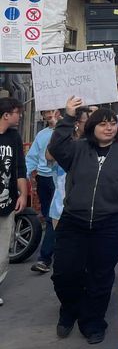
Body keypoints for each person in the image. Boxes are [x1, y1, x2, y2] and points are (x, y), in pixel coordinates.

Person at [48, 96, 118, 343]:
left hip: (110, 224)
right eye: (102, 123)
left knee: (100, 277)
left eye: (112, 123)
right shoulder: (78, 149)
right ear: (92, 127)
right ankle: (69, 309)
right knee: (65, 273)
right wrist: (68, 117)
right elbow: (57, 148)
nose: (108, 127)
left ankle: (93, 322)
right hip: (74, 221)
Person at [26, 106, 61, 274]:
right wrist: (25, 175)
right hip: (43, 179)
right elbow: (32, 156)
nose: (49, 115)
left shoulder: (69, 132)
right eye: (46, 112)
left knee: (51, 218)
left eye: (52, 111)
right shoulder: (41, 134)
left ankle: (45, 259)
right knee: (49, 217)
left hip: (60, 179)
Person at [0, 97, 28, 307]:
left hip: (6, 203)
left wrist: (23, 194)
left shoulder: (14, 137)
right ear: (6, 114)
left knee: (2, 253)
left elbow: (20, 167)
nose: (20, 116)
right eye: (17, 112)